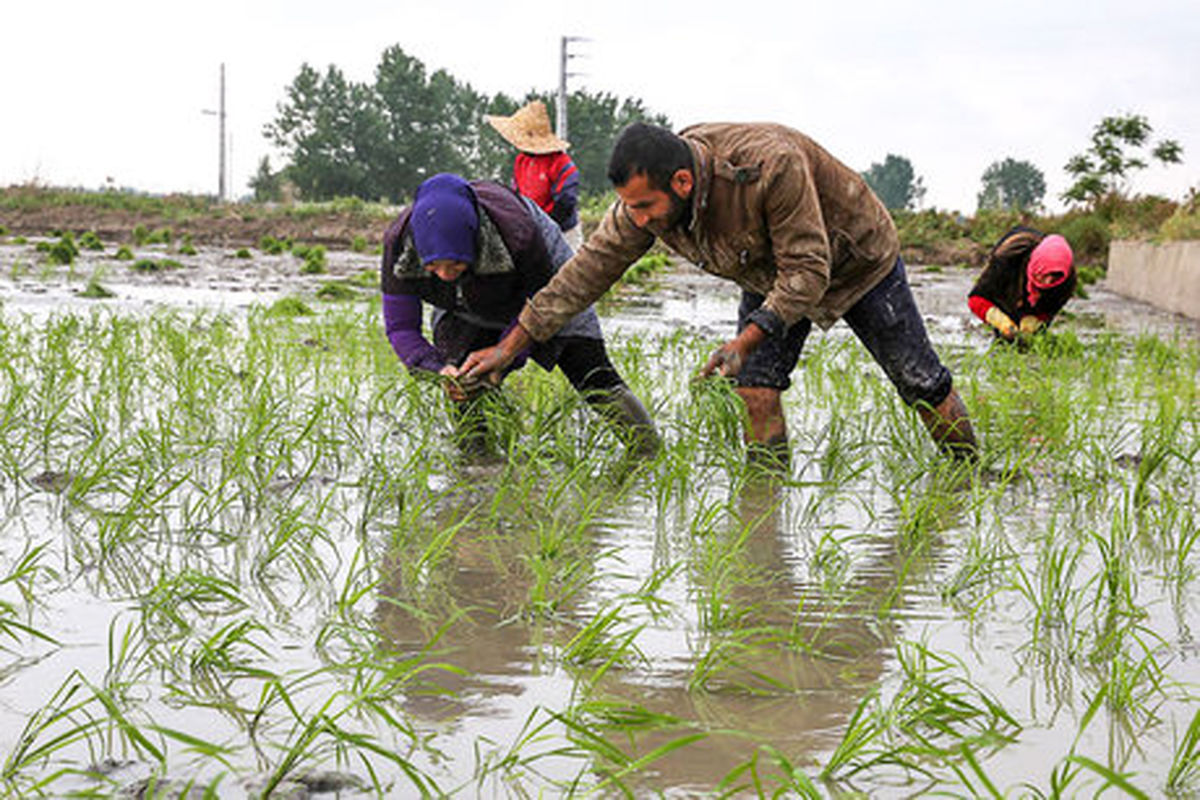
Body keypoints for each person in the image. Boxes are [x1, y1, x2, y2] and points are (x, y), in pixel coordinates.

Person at [461, 122, 978, 463]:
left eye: (644, 207)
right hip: (764, 271)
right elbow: (585, 274)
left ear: (683, 182)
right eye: (630, 209)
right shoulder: (646, 203)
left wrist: (743, 341)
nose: (636, 220)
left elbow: (807, 272)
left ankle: (970, 478)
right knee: (755, 389)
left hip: (855, 259)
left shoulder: (769, 167)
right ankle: (765, 505)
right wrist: (510, 347)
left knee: (921, 383)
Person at [380, 172, 657, 455]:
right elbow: (401, 328)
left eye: (455, 265)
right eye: (433, 268)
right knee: (463, 376)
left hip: (543, 289)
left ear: (474, 241)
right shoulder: (400, 246)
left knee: (590, 370)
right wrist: (439, 370)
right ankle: (479, 469)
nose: (445, 276)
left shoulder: (518, 233)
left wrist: (508, 354)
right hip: (464, 305)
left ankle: (650, 454)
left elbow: (540, 308)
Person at [485, 101, 584, 250]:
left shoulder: (560, 163)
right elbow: (517, 194)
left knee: (568, 270)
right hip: (534, 228)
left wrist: (548, 226)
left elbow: (566, 201)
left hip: (563, 232)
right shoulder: (522, 160)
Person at [968, 227, 1076, 341]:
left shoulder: (1065, 281)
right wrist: (999, 321)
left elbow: (1051, 308)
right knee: (1005, 337)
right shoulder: (1006, 259)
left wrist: (1034, 320)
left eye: (1054, 276)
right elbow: (976, 299)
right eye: (1044, 274)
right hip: (1011, 274)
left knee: (1031, 340)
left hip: (1035, 301)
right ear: (1037, 265)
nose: (1047, 282)